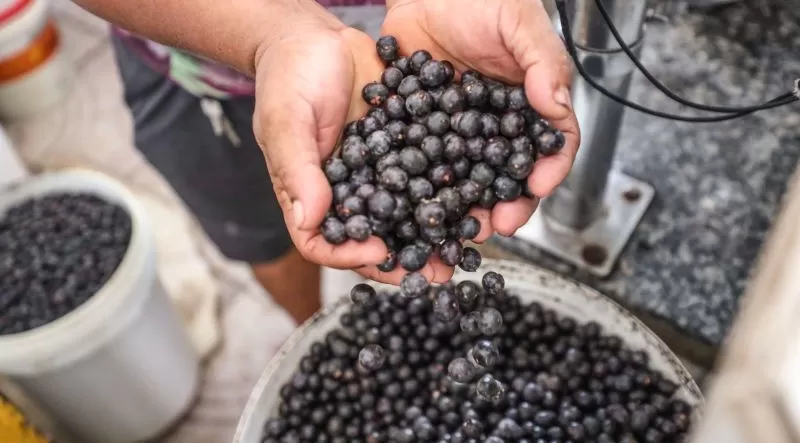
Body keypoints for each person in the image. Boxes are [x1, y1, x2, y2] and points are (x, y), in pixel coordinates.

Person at [72, 0, 580, 325]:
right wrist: (273, 33)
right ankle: (314, 322)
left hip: (435, 30)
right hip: (202, 54)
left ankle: (381, 314)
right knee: (265, 231)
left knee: (366, 238)